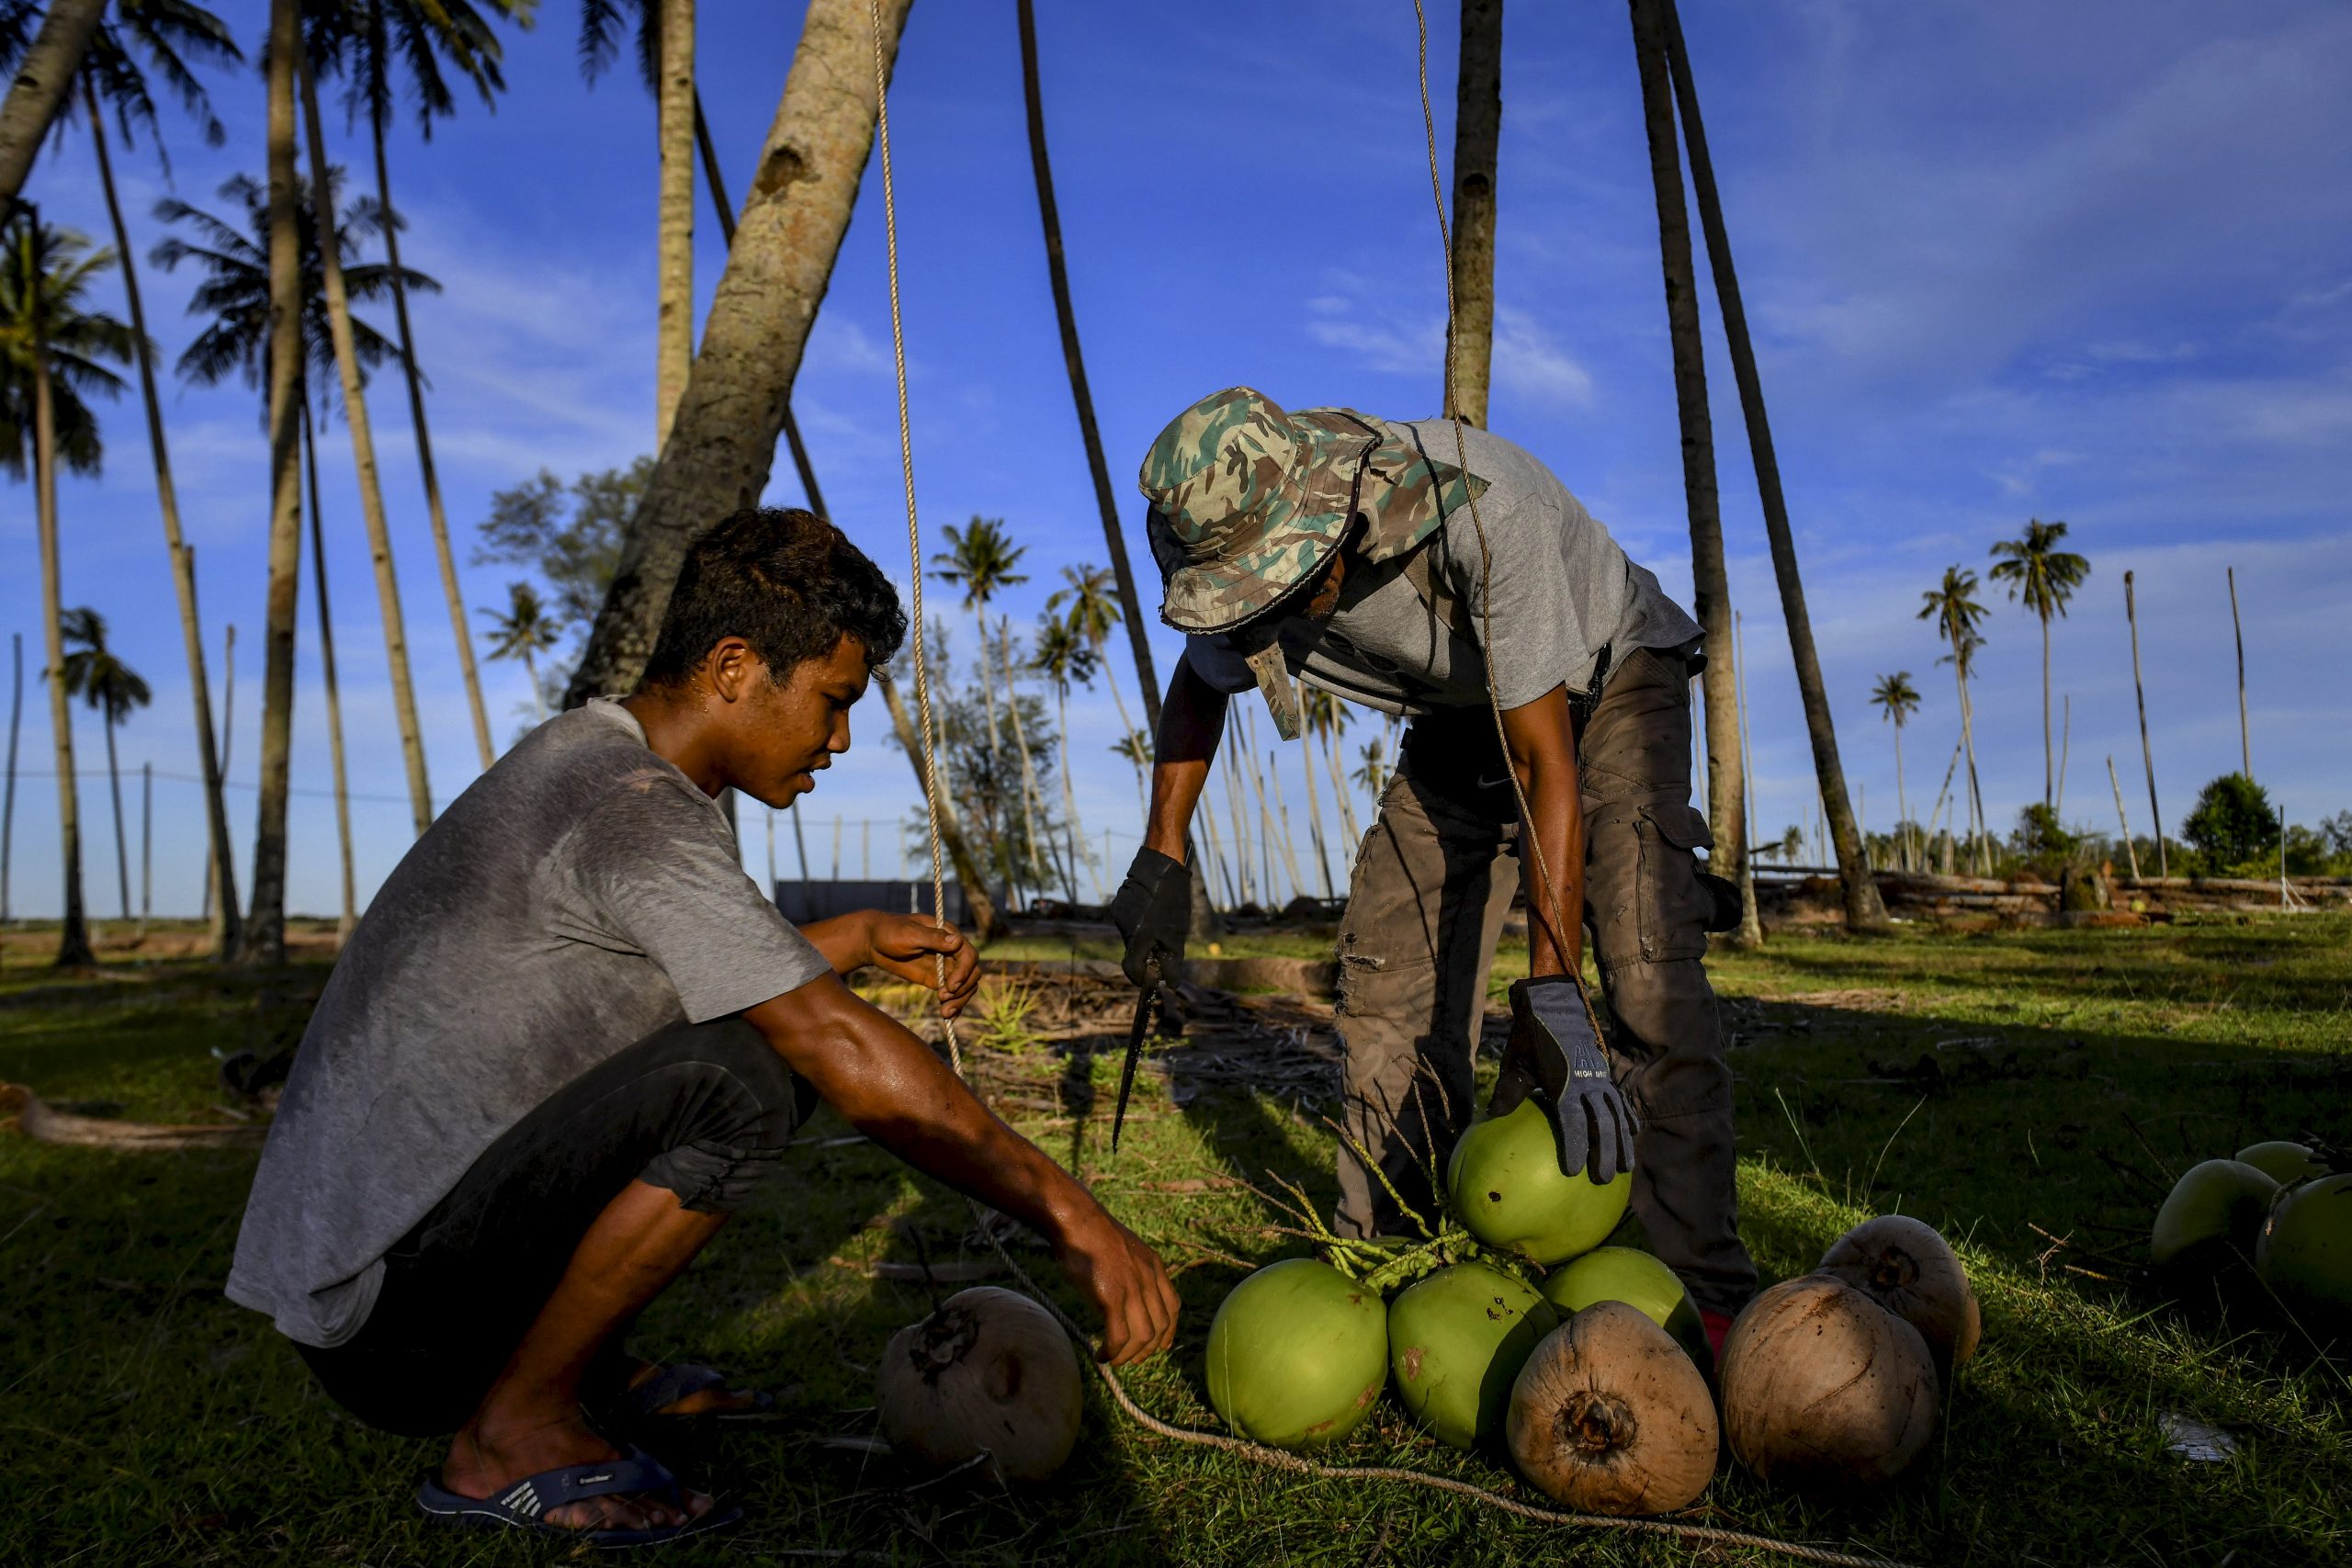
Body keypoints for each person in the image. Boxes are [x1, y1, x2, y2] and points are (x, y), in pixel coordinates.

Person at [229, 508, 1177, 1545]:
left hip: (382, 1281)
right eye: (833, 700)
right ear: (734, 667)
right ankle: (511, 1429)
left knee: (742, 1043)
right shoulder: (631, 803)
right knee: (745, 1076)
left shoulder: (600, 763)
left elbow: (664, 983)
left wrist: (856, 937)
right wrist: (1075, 1218)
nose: (840, 739)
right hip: (385, 1325)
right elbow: (830, 1041)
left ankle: (580, 1371)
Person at [1109, 387, 1754, 1348]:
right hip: (1457, 715)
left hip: (1605, 676)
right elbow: (1200, 688)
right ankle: (1398, 1262)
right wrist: (1162, 854)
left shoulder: (1483, 513)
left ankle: (1700, 1293)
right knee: (1388, 973)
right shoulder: (1236, 559)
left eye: (1276, 590)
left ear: (1327, 530)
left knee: (1643, 960)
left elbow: (1545, 764)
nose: (1258, 618)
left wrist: (1552, 998)